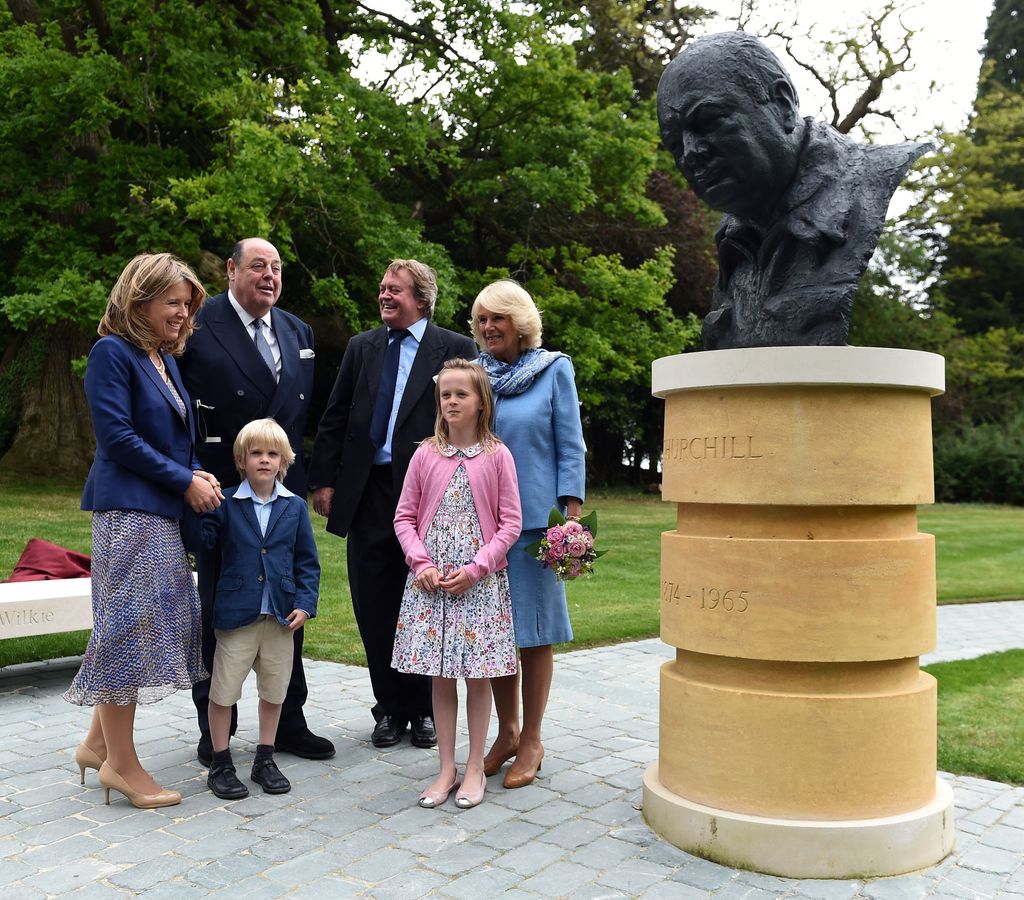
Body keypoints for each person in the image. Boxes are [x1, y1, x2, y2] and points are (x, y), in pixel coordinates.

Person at [64, 253, 222, 809]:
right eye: (172, 303)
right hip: (128, 513)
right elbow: (118, 438)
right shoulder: (113, 353)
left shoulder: (162, 358)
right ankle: (122, 766)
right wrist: (184, 481)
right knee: (127, 633)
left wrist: (192, 472)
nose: (182, 314)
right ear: (139, 301)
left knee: (144, 622)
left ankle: (95, 744)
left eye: (187, 305)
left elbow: (169, 438)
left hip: (158, 512)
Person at [656, 31, 930, 350]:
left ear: (783, 105)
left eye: (709, 121)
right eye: (675, 144)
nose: (690, 153)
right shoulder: (732, 242)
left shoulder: (875, 182)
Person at [309, 259, 477, 748]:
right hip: (367, 492)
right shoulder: (363, 348)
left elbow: (470, 419)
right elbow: (336, 414)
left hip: (431, 496)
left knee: (424, 602)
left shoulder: (455, 349)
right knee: (373, 603)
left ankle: (423, 710)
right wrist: (324, 479)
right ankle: (389, 708)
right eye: (382, 289)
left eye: (395, 290)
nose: (384, 296)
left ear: (421, 299)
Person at [178, 237, 333, 766]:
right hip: (221, 492)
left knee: (287, 600)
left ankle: (288, 720)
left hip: (279, 495)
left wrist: (306, 481)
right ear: (231, 270)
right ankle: (214, 729)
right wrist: (189, 477)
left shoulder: (298, 331)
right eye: (259, 266)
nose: (270, 276)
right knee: (220, 608)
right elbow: (182, 411)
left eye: (277, 268)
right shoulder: (199, 326)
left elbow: (297, 422)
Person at [471, 280, 586, 789]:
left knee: (535, 634)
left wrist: (571, 516)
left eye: (498, 318)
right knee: (498, 634)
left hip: (539, 521)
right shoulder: (475, 376)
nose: (488, 328)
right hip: (485, 522)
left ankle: (534, 738)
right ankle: (507, 732)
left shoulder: (555, 369)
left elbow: (571, 445)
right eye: (480, 320)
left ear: (521, 322)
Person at [392, 359, 522, 809]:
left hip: (478, 584)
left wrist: (476, 569)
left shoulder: (497, 455)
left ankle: (473, 770)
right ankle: (445, 768)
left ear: (481, 401)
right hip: (431, 583)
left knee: (476, 676)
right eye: (445, 394)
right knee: (440, 676)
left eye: (460, 394)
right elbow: (405, 517)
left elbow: (510, 524)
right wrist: (420, 562)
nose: (451, 401)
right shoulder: (426, 454)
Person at [185, 419, 320, 801]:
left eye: (272, 454)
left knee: (274, 691)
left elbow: (307, 562)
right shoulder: (226, 503)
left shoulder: (294, 507)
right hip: (236, 615)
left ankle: (265, 756)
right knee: (222, 691)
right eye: (256, 454)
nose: (264, 460)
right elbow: (204, 543)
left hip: (280, 618)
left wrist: (305, 605)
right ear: (241, 461)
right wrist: (200, 513)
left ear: (284, 461)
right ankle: (221, 761)